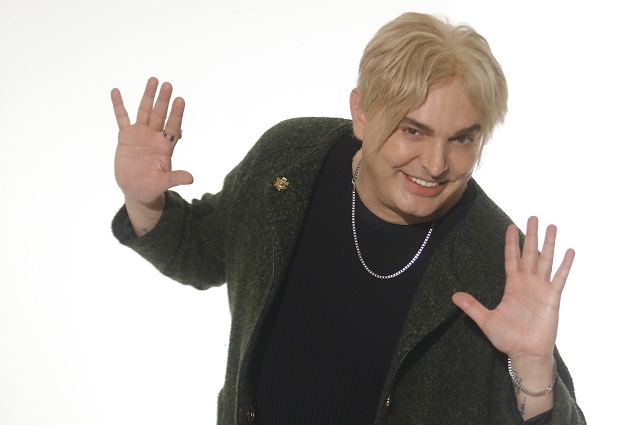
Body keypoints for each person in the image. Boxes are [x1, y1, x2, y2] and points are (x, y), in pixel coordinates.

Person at [110, 12, 586, 425]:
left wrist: (532, 369)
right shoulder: (289, 160)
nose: (436, 164)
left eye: (462, 139)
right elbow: (204, 253)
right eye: (412, 130)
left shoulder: (499, 260)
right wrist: (144, 201)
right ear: (361, 113)